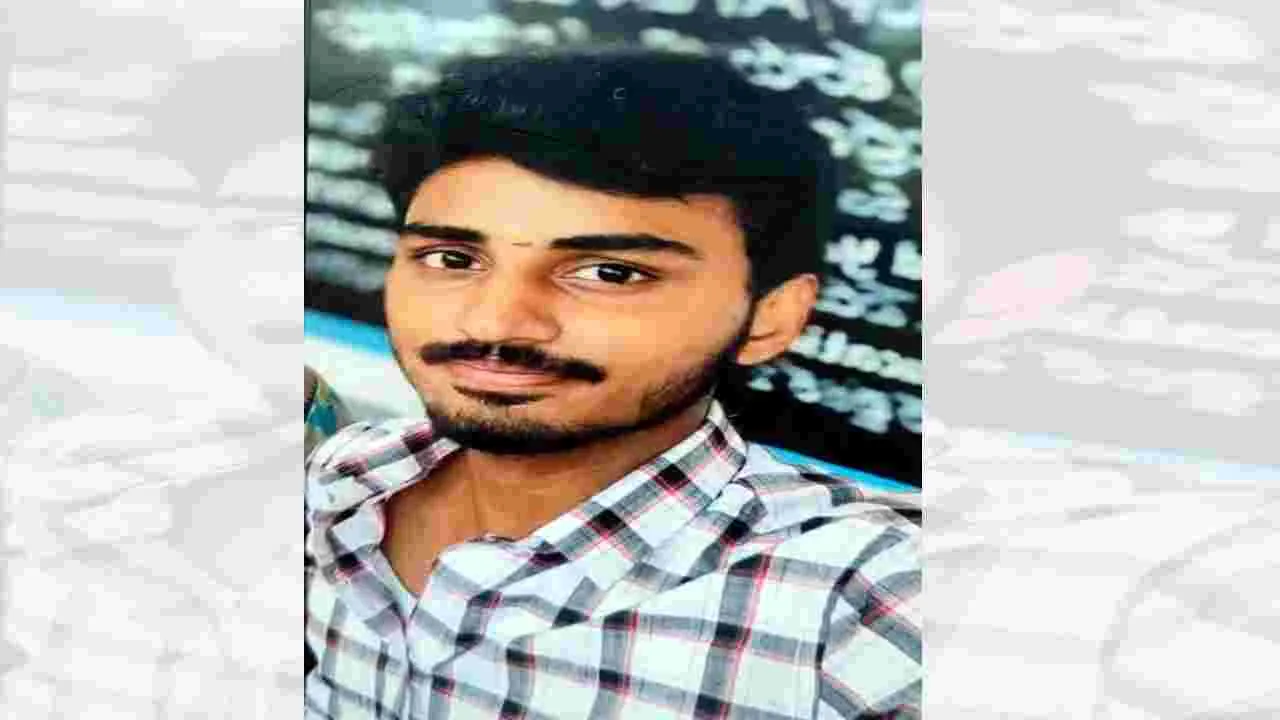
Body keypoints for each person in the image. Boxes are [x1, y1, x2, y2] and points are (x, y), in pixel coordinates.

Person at [305, 48, 920, 719]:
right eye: (452, 258)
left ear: (770, 317)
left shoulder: (862, 605)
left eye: (610, 273)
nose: (496, 321)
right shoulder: (343, 482)